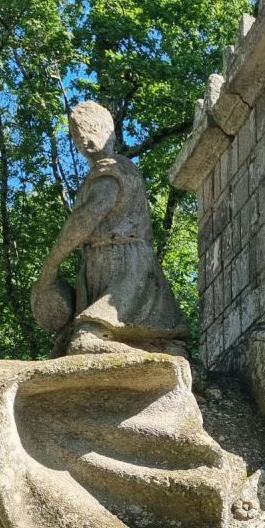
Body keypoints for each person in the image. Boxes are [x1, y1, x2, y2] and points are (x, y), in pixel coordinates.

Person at [30, 100, 188, 357]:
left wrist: (52, 263)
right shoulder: (96, 176)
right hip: (98, 264)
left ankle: (144, 353)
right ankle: (152, 349)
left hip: (126, 264)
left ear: (108, 131)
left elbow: (85, 218)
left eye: (89, 128)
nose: (83, 137)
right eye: (76, 133)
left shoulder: (115, 170)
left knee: (85, 340)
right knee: (69, 344)